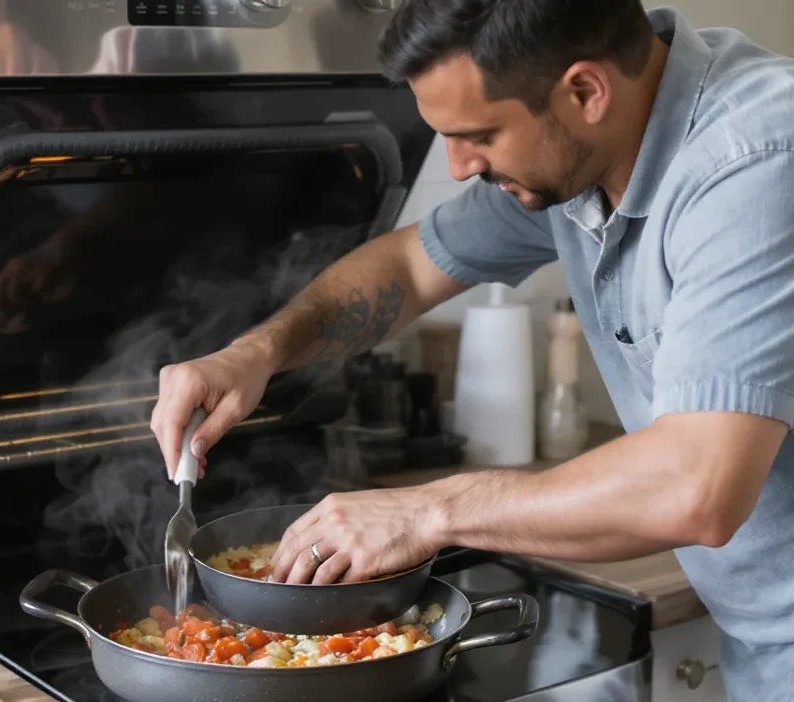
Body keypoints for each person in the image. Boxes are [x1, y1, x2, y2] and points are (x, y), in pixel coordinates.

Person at [150, 1, 794, 698]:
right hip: (762, 648)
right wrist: (257, 352)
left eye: (479, 136)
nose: (459, 168)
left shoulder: (757, 160)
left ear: (586, 91)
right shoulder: (586, 153)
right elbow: (407, 267)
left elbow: (698, 489)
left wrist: (427, 511)